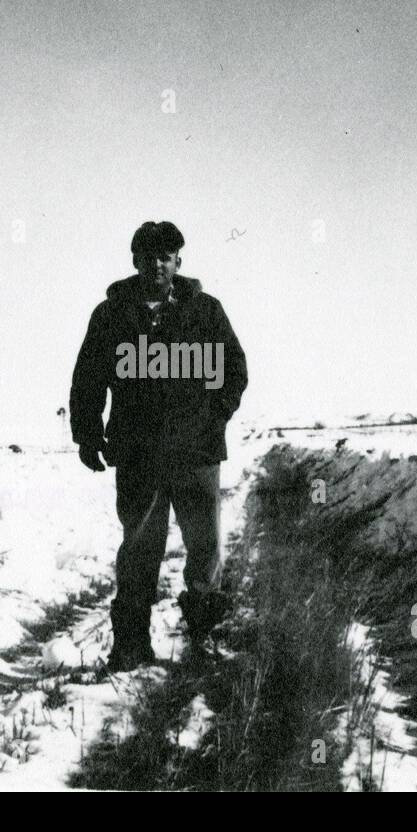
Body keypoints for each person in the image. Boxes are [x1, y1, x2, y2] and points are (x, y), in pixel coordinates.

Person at [69, 221, 248, 671]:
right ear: (134, 261)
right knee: (139, 548)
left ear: (178, 263)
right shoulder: (110, 316)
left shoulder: (206, 311)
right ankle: (130, 645)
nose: (157, 264)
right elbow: (88, 379)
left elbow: (234, 369)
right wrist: (88, 434)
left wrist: (213, 417)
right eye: (148, 256)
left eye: (166, 256)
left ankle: (204, 639)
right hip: (138, 454)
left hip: (197, 455)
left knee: (204, 547)